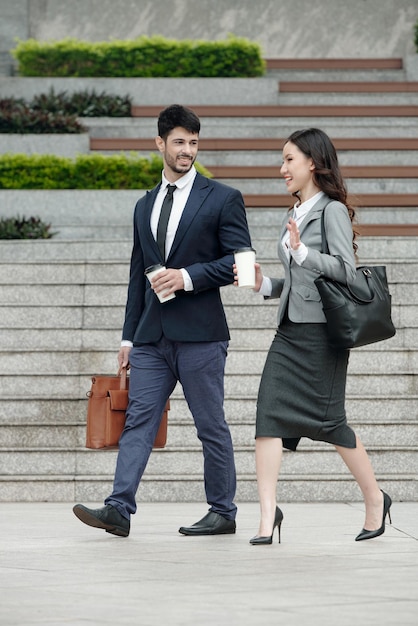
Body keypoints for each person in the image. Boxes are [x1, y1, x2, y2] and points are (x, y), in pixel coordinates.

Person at [73, 104, 252, 538]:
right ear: (160, 144)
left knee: (210, 425)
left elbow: (241, 264)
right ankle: (119, 508)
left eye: (193, 142)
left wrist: (188, 277)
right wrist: (128, 339)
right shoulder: (144, 205)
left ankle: (223, 511)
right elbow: (139, 274)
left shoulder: (223, 198)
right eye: (179, 142)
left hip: (202, 336)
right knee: (138, 419)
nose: (187, 150)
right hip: (152, 336)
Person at [237, 128, 392, 545]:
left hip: (323, 336)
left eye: (289, 159)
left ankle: (376, 499)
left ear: (312, 163)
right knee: (267, 417)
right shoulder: (297, 210)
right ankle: (267, 518)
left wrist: (304, 253)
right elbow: (295, 281)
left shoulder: (332, 211)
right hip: (289, 333)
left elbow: (345, 268)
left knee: (331, 424)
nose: (281, 167)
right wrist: (264, 285)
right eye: (282, 159)